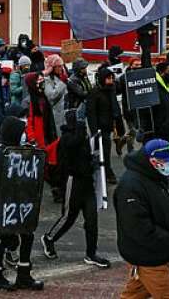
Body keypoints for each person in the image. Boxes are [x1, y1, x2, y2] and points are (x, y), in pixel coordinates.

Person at [114, 139, 169, 299]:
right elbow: (138, 228)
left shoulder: (156, 176)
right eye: (167, 162)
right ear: (154, 161)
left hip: (157, 254)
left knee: (133, 295)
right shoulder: (131, 186)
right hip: (150, 257)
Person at [0, 116, 44, 291]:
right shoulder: (1, 154)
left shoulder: (12, 150)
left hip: (19, 202)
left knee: (27, 234)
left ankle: (24, 273)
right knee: (3, 238)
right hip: (3, 203)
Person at [40, 109, 109, 268]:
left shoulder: (83, 137)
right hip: (74, 181)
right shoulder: (66, 138)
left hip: (87, 182)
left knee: (92, 219)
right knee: (68, 217)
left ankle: (91, 253)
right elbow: (72, 145)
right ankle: (49, 238)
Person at [86, 67, 120, 184]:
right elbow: (91, 113)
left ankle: (106, 172)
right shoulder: (95, 93)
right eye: (108, 79)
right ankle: (106, 173)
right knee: (102, 152)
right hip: (100, 128)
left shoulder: (110, 90)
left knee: (106, 151)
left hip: (109, 126)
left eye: (112, 78)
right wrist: (95, 131)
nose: (111, 81)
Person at [43, 54, 68, 135]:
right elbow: (51, 96)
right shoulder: (47, 80)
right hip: (54, 116)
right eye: (59, 66)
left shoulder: (61, 77)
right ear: (52, 67)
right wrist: (62, 83)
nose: (61, 68)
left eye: (62, 66)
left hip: (64, 113)